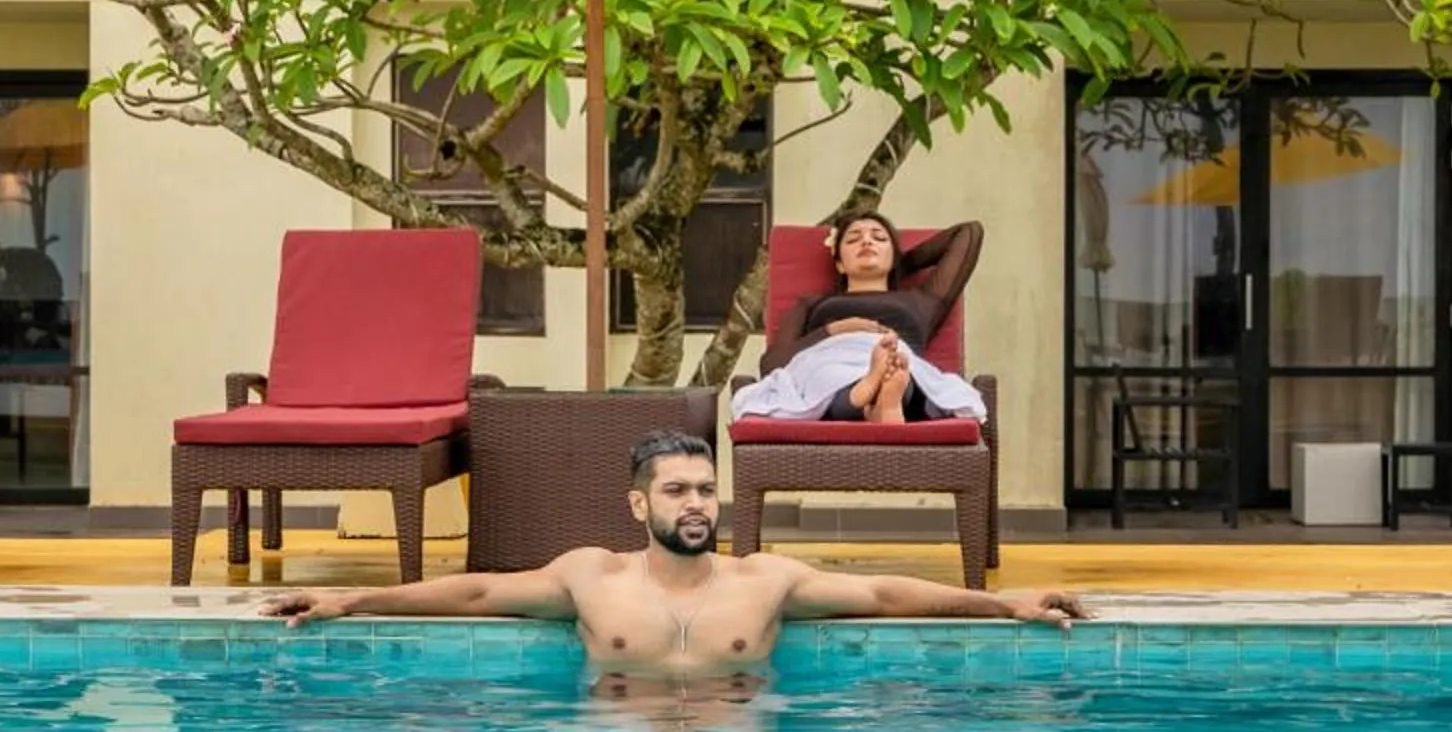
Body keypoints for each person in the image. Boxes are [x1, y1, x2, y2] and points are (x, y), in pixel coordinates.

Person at [266, 431, 1081, 682]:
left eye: (704, 489)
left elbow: (886, 597)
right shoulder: (591, 574)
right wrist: (348, 601)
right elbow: (479, 595)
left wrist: (1006, 604)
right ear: (639, 505)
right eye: (676, 492)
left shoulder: (766, 580)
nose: (695, 504)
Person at [728, 206, 985, 429]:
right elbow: (772, 365)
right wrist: (838, 330)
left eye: (878, 238)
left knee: (902, 368)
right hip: (829, 359)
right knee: (827, 377)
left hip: (896, 358)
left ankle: (879, 393)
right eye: (853, 239)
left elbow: (969, 233)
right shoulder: (814, 302)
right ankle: (877, 394)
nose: (866, 242)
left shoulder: (920, 301)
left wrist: (899, 264)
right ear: (839, 263)